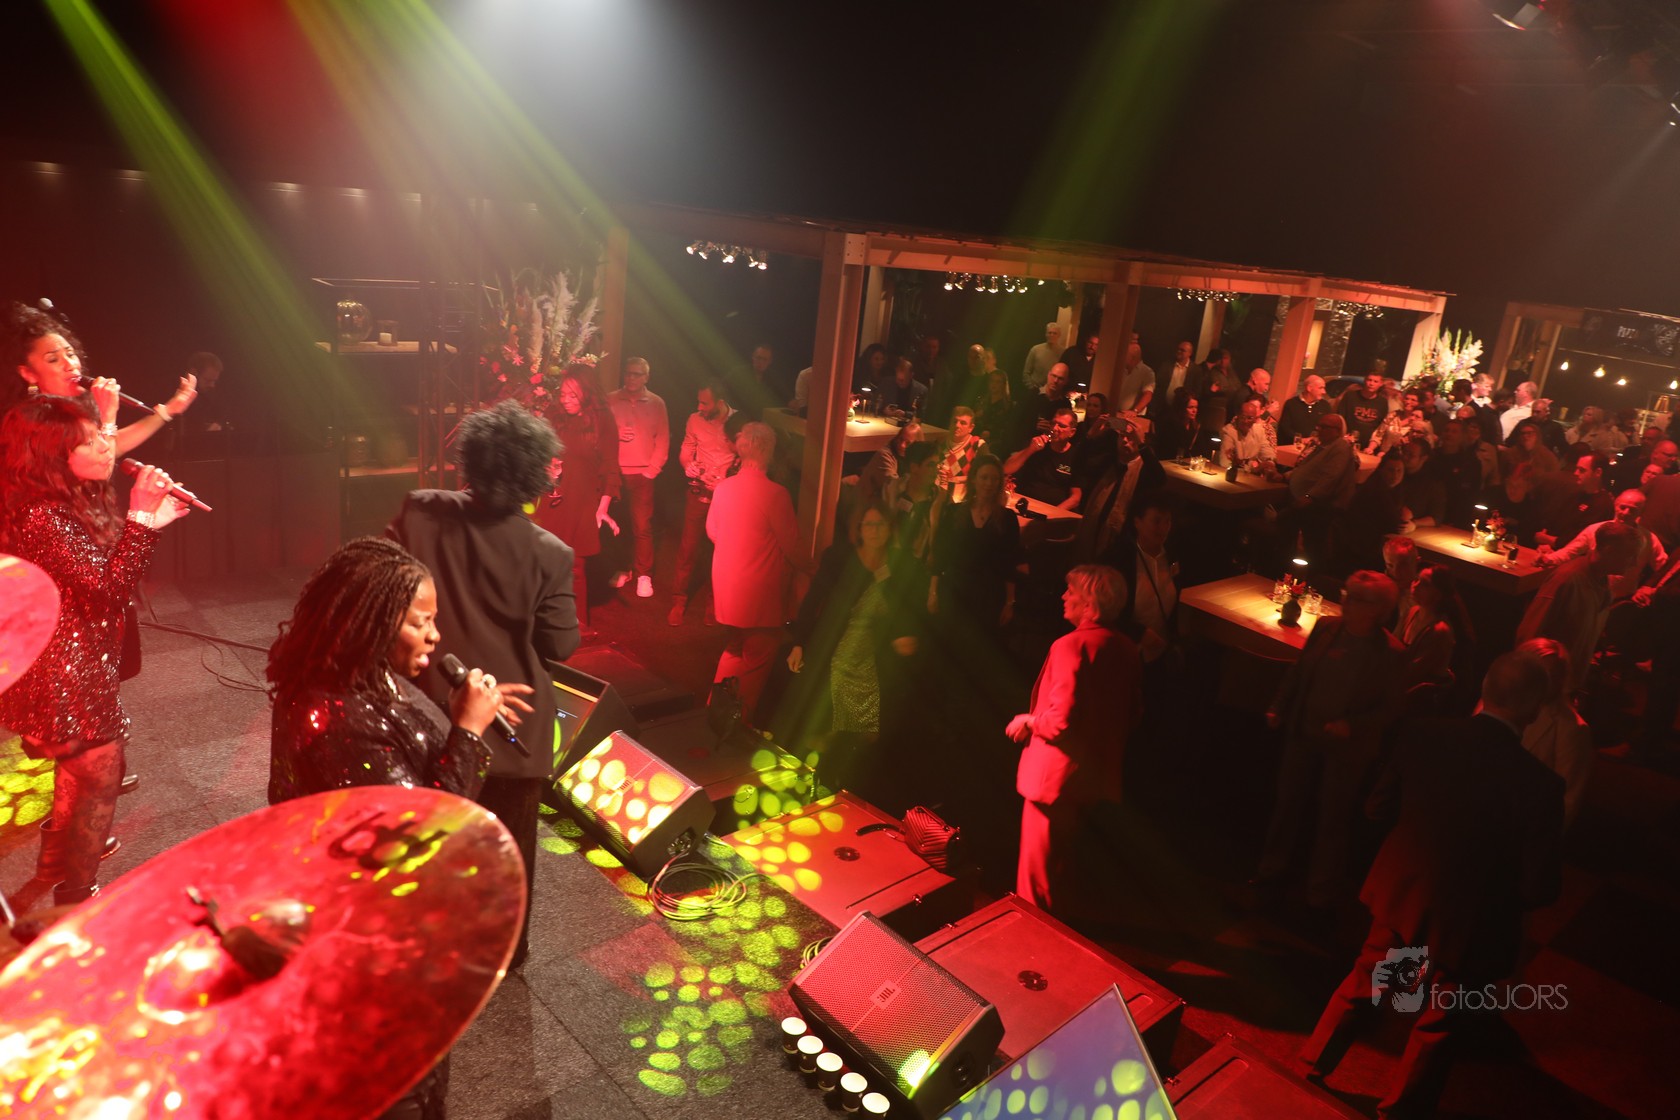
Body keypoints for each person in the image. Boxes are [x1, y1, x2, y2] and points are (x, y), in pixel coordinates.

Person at [267, 536, 528, 1120]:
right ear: (371, 623)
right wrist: (466, 733)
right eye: (419, 622)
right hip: (369, 955)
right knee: (399, 1084)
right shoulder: (341, 720)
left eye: (433, 620)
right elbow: (421, 838)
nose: (435, 635)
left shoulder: (361, 680)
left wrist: (464, 722)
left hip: (381, 932)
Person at [1296, 652, 1562, 1120]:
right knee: (1438, 1021)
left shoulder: (1423, 735)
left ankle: (1308, 1070)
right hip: (1470, 924)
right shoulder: (1541, 785)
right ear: (1535, 709)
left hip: (1408, 896)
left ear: (1484, 688)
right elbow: (1538, 887)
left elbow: (1377, 809)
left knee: (1369, 982)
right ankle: (1399, 1111)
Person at [385, 399, 580, 967]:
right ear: (534, 474)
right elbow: (561, 645)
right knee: (507, 855)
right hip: (511, 728)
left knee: (436, 843)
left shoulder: (422, 511)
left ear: (470, 460)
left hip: (427, 710)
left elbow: (381, 581)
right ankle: (505, 953)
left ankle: (433, 944)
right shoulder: (550, 553)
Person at [0, 396, 191, 904]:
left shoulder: (52, 501)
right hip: (64, 668)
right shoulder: (44, 515)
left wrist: (151, 522)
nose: (106, 445)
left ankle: (51, 868)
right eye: (89, 441)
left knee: (76, 768)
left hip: (70, 657)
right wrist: (141, 517)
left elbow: (93, 570)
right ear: (52, 455)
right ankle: (76, 898)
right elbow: (109, 589)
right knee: (102, 772)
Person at [1256, 571, 1405, 908]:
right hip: (1304, 732)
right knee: (1287, 806)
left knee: (1332, 820)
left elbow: (1392, 708)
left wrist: (1352, 725)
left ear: (1377, 610)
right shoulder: (1326, 628)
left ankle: (1319, 896)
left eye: (1356, 598)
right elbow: (1299, 671)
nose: (1346, 602)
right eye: (1347, 593)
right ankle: (1270, 873)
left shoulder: (1391, 653)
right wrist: (1279, 706)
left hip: (1347, 750)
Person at [1007, 564, 1142, 914]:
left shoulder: (1070, 646)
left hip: (1052, 780)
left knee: (1035, 883)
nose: (1064, 596)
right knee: (1062, 872)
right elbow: (1132, 714)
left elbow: (1060, 721)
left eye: (1072, 592)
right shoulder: (1127, 648)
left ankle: (1029, 943)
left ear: (1089, 603)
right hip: (1090, 779)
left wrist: (1028, 721)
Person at [783, 503, 921, 785]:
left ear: (890, 529)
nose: (874, 531)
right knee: (825, 724)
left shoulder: (896, 562)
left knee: (863, 730)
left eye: (880, 525)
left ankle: (843, 781)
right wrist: (799, 643)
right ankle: (812, 779)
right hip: (837, 646)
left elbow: (903, 605)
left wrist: (904, 633)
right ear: (859, 529)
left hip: (873, 650)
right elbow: (813, 600)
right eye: (868, 525)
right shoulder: (840, 557)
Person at [2, 301, 199, 457]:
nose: (70, 364)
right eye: (53, 359)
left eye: (70, 354)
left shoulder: (71, 410)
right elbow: (101, 461)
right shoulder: (32, 422)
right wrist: (108, 416)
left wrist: (167, 410)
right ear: (28, 373)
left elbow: (112, 445)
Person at [707, 422, 806, 723]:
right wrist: (815, 567)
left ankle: (714, 712)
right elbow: (793, 547)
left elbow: (712, 532)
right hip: (759, 595)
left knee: (734, 650)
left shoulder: (724, 488)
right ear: (768, 451)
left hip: (727, 590)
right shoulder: (775, 494)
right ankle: (739, 725)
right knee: (757, 660)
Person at [535, 367, 619, 631]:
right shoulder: (553, 414)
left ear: (587, 393)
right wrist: (546, 467)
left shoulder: (602, 419)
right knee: (546, 562)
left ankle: (577, 624)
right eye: (563, 394)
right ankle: (544, 621)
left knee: (576, 567)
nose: (566, 400)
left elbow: (610, 468)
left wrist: (603, 508)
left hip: (583, 502)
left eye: (573, 395)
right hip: (552, 498)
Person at [1516, 518, 1640, 691]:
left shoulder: (1604, 584)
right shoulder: (1567, 580)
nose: (1634, 563)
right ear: (1608, 549)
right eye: (1630, 556)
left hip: (1564, 686)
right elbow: (1529, 633)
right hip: (1543, 688)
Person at [670, 382, 736, 626]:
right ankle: (678, 600)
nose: (699, 407)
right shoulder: (694, 420)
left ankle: (714, 602)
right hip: (698, 492)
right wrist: (688, 465)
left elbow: (744, 458)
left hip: (725, 496)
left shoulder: (737, 422)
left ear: (720, 403)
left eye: (704, 403)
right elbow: (686, 449)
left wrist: (726, 480)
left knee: (719, 552)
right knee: (688, 547)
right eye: (698, 401)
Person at [605, 356, 668, 599]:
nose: (631, 378)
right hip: (616, 474)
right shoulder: (611, 399)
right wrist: (617, 434)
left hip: (642, 475)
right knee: (618, 525)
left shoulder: (657, 403)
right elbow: (602, 433)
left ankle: (644, 574)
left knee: (642, 526)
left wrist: (652, 469)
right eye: (628, 373)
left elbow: (663, 439)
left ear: (646, 377)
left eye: (636, 374)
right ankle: (623, 568)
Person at [1515, 637, 1592, 829]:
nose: (1546, 681)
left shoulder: (1571, 728)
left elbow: (1568, 797)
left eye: (1554, 675)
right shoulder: (1499, 701)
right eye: (1540, 673)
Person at [1003, 407, 1083, 511]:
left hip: (1054, 510)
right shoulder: (1038, 445)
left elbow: (1076, 498)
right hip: (1026, 503)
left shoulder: (1075, 456)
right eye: (1053, 423)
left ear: (1072, 432)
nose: (1055, 428)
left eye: (1061, 426)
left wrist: (1054, 513)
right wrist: (1030, 450)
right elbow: (1007, 469)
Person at [935, 406, 987, 502]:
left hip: (962, 500)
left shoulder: (978, 445)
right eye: (955, 421)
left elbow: (985, 476)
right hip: (936, 495)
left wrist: (957, 479)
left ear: (971, 428)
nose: (957, 425)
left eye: (963, 423)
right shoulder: (940, 441)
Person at [1336, 370, 1389, 449]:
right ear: (1365, 380)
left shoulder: (1382, 402)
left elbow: (1381, 425)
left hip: (1369, 445)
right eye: (1369, 380)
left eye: (1375, 381)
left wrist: (1373, 445)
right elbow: (1340, 417)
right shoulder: (1350, 396)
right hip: (1347, 440)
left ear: (1380, 384)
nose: (1371, 384)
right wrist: (1344, 436)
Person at [1277, 374, 1331, 447]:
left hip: (1316, 447)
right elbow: (1284, 427)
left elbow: (1328, 428)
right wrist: (1300, 439)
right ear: (1309, 388)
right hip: (1292, 446)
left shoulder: (1325, 405)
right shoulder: (1292, 404)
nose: (1324, 392)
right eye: (1320, 388)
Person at [1112, 342, 1155, 415]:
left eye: (1125, 355)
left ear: (1132, 357)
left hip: (1133, 416)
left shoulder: (1147, 372)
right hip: (1117, 413)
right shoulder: (1121, 369)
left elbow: (1148, 394)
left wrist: (1135, 411)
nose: (1122, 357)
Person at [1022, 321, 1063, 391]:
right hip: (1035, 390)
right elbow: (1026, 373)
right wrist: (1032, 387)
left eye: (1054, 333)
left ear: (1059, 335)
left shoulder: (1063, 352)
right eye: (1049, 333)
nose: (1052, 335)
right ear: (1046, 334)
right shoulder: (1035, 349)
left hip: (1053, 391)